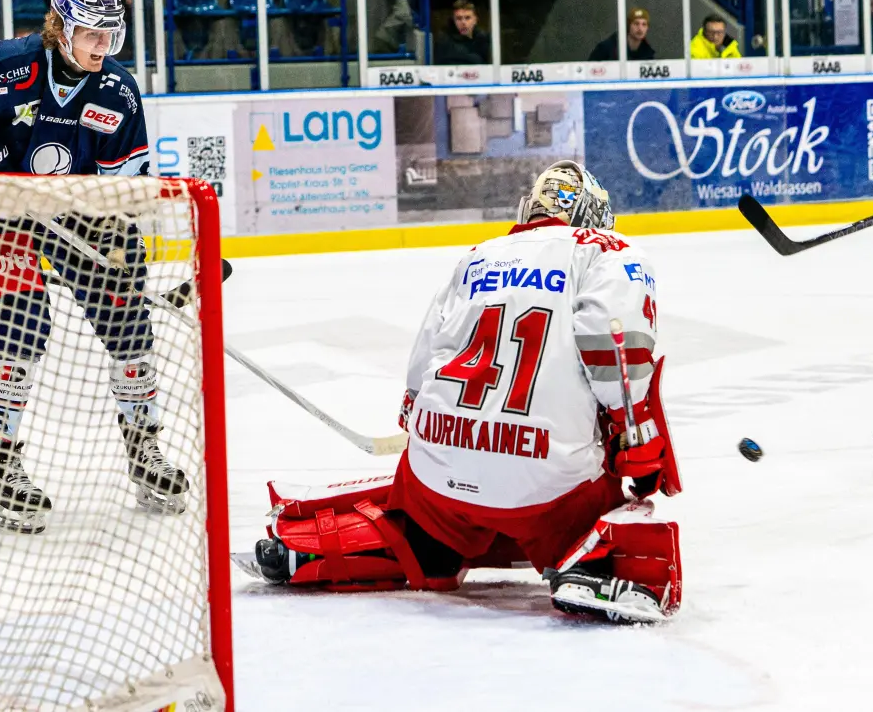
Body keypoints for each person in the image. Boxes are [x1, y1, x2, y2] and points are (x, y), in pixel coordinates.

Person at [244, 161, 683, 624]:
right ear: (595, 214)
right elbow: (612, 352)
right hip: (547, 491)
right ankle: (591, 565)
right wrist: (634, 438)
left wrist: (430, 430)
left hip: (437, 483)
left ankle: (361, 549)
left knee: (423, 525)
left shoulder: (479, 255)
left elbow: (423, 365)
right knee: (597, 505)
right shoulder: (608, 252)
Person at [0, 0, 183, 534]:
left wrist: (116, 230)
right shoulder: (10, 65)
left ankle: (144, 451)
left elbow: (124, 181)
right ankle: (0, 467)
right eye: (92, 34)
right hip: (0, 213)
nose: (103, 47)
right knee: (23, 331)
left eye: (111, 35)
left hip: (78, 214)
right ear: (61, 27)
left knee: (130, 329)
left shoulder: (116, 92)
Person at [434, 0, 491, 65]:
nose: (463, 22)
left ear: (475, 20)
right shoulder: (444, 40)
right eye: (459, 18)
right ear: (454, 20)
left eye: (467, 18)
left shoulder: (484, 39)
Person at [589, 7, 656, 61]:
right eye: (636, 24)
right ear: (629, 25)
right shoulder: (607, 48)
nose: (640, 28)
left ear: (647, 28)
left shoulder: (648, 53)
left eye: (644, 24)